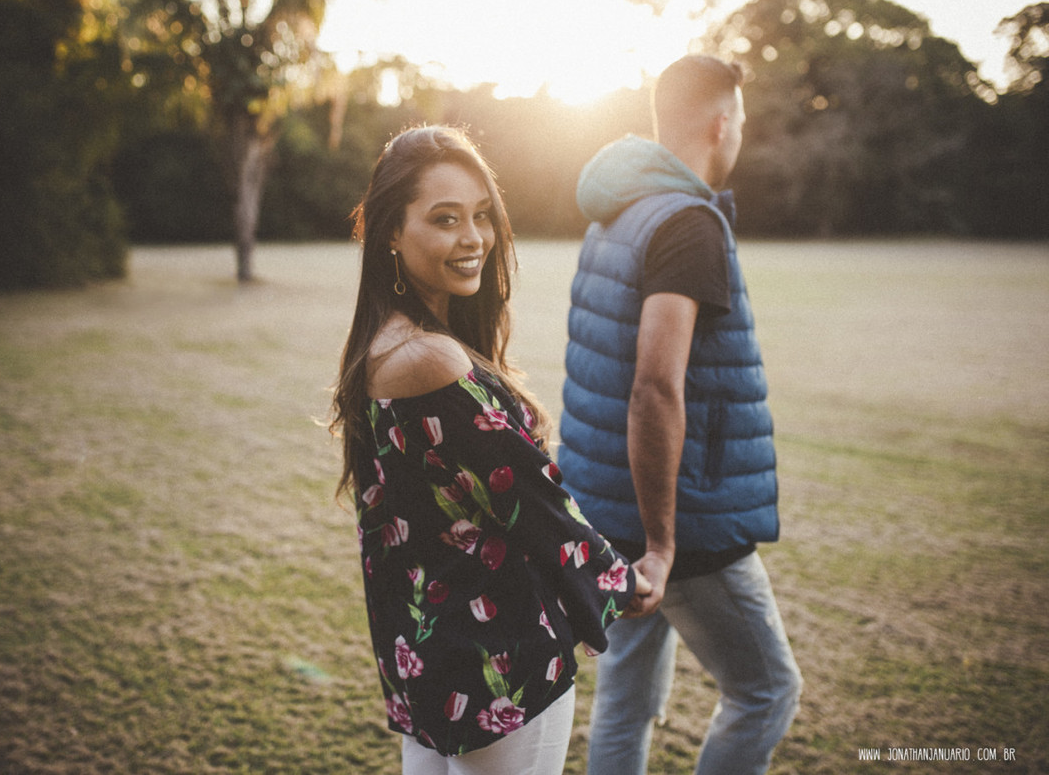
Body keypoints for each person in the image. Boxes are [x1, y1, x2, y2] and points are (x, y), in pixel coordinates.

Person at [329, 125, 651, 775]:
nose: (473, 237)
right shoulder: (429, 359)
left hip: (427, 654)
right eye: (445, 219)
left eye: (481, 216)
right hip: (496, 656)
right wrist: (619, 578)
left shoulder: (386, 342)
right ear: (391, 230)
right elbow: (530, 495)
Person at [558, 55, 803, 774]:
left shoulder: (620, 210)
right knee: (766, 692)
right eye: (743, 125)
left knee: (626, 701)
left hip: (611, 509)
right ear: (722, 122)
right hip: (683, 523)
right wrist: (663, 546)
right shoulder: (687, 222)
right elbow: (654, 388)